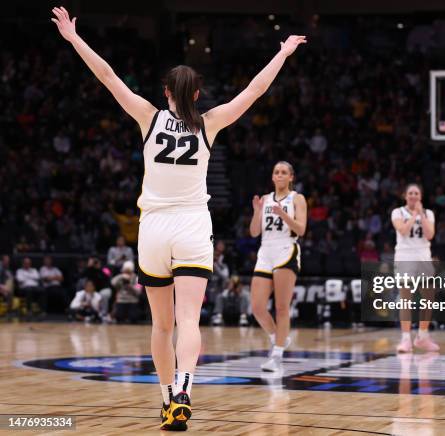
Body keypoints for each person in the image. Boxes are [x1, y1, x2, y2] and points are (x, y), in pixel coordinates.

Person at [52, 6, 305, 431]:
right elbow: (255, 90)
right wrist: (281, 53)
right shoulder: (209, 124)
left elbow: (107, 76)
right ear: (195, 95)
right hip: (192, 227)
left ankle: (168, 398)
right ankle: (186, 388)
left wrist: (74, 38)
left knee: (161, 324)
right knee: (189, 320)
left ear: (167, 92)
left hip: (153, 228)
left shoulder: (149, 119)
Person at [250, 161, 307, 372]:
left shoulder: (297, 199)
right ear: (273, 177)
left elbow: (301, 229)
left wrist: (284, 215)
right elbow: (254, 232)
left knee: (282, 307)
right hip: (266, 251)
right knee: (257, 306)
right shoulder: (265, 199)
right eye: (276, 172)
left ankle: (277, 355)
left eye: (284, 172)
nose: (280, 175)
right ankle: (278, 337)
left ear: (291, 177)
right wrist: (257, 211)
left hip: (286, 250)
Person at [392, 184, 440, 353]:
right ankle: (406, 339)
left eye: (416, 193)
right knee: (406, 299)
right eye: (410, 193)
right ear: (405, 196)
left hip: (423, 257)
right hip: (405, 257)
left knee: (428, 297)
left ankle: (422, 336)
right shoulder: (397, 212)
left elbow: (430, 235)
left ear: (421, 196)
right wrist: (414, 215)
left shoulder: (428, 213)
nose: (413, 196)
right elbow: (403, 230)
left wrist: (420, 214)